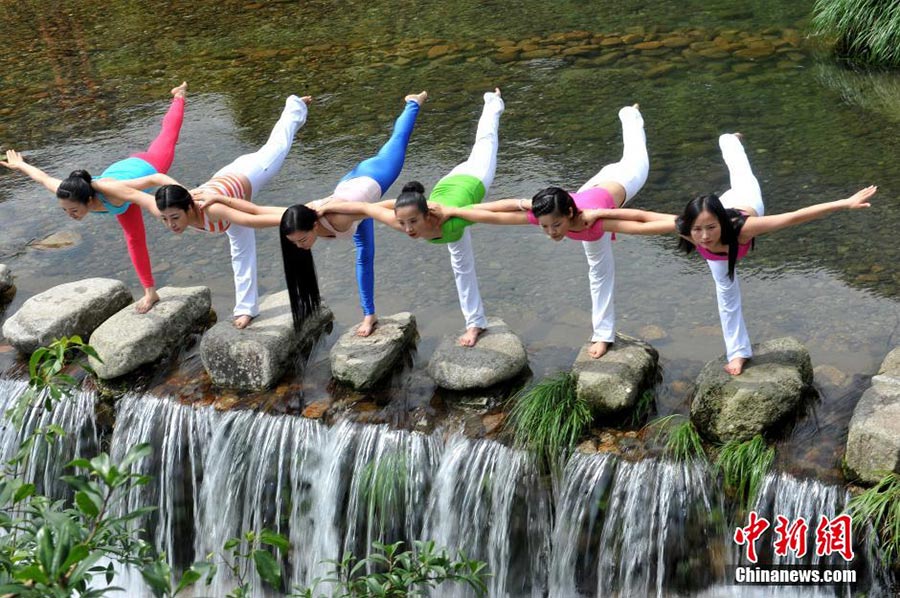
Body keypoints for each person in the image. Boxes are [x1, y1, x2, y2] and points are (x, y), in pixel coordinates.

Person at [584, 133, 877, 375]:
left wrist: (844, 203)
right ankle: (738, 353)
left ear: (721, 224)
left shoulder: (745, 228)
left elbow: (795, 216)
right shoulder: (688, 228)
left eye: (711, 229)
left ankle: (729, 139)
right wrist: (598, 214)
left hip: (746, 202)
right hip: (719, 231)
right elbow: (642, 216)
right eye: (698, 230)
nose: (704, 237)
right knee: (727, 296)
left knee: (741, 172)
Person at [434, 104, 651, 359]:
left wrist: (683, 225)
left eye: (556, 226)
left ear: (569, 214)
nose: (551, 233)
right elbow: (496, 215)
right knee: (594, 266)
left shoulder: (593, 221)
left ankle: (629, 113)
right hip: (591, 189)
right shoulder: (550, 212)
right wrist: (455, 211)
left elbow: (641, 221)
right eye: (545, 227)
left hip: (625, 178)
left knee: (635, 153)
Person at [314, 89, 505, 347]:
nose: (407, 230)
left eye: (413, 222)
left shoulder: (457, 220)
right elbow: (377, 208)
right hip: (446, 185)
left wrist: (530, 210)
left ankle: (492, 101)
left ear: (426, 215)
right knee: (460, 264)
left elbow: (498, 213)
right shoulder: (405, 220)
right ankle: (475, 323)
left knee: (485, 142)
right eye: (404, 223)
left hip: (473, 179)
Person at [105, 95, 311, 328]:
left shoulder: (211, 210)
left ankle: (295, 105)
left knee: (277, 148)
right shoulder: (166, 206)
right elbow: (134, 191)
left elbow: (253, 217)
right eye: (165, 219)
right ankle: (246, 309)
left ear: (188, 207)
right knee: (241, 254)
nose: (171, 225)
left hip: (250, 175)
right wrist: (97, 186)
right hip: (225, 181)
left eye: (175, 218)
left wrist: (299, 217)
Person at [0, 82, 188, 312]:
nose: (70, 215)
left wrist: (184, 198)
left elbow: (154, 184)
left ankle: (179, 96)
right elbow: (43, 178)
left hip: (147, 165)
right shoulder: (70, 191)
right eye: (66, 210)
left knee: (169, 136)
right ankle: (151, 292)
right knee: (134, 240)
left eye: (74, 210)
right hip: (122, 178)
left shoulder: (113, 191)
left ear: (89, 201)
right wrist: (20, 165)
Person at [277, 91, 426, 336]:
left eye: (302, 240)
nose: (300, 246)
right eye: (295, 243)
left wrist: (414, 216)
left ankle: (413, 103)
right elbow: (256, 214)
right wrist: (222, 202)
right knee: (365, 256)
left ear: (314, 226)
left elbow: (374, 209)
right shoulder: (295, 222)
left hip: (374, 175)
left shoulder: (339, 217)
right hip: (348, 186)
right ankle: (370, 315)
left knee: (398, 140)